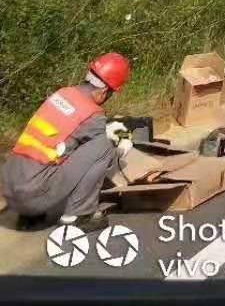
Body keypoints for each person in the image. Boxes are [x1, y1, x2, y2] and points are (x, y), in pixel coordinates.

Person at [2, 52, 131, 228]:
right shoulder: (94, 115)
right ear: (103, 91)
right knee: (105, 147)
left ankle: (32, 211)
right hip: (32, 198)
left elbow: (65, 132)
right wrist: (122, 149)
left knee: (58, 149)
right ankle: (78, 216)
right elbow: (97, 154)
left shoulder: (63, 93)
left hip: (10, 188)